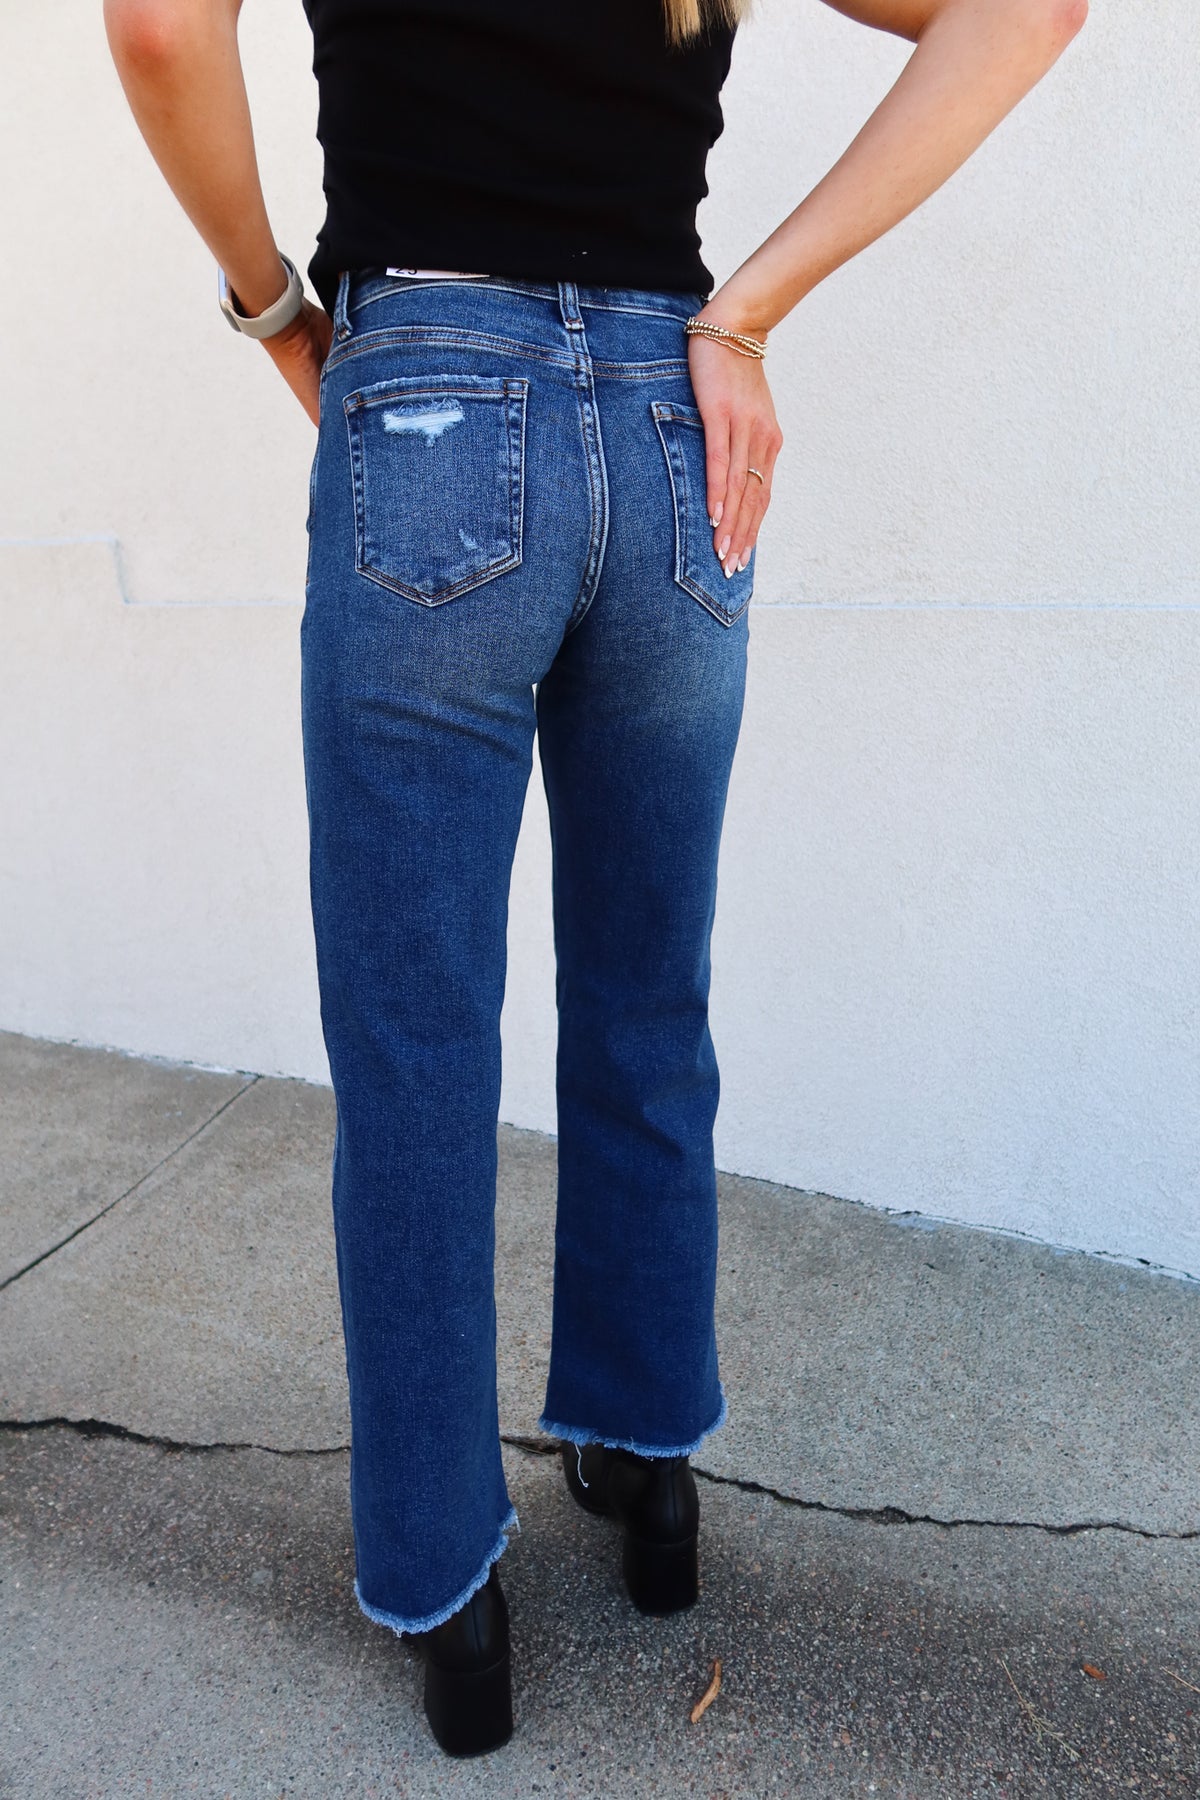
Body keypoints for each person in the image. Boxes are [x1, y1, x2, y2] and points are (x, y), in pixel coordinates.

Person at [104, 0, 1086, 1760]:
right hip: (667, 422)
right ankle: (647, 1473)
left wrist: (272, 306)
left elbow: (162, 29)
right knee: (647, 991)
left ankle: (451, 1601)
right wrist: (748, 309)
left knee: (415, 1045)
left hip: (425, 398)